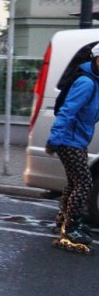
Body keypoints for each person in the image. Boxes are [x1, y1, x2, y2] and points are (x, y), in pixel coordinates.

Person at [46, 44, 99, 254]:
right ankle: (71, 227)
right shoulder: (86, 82)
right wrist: (54, 139)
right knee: (84, 182)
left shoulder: (96, 81)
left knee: (74, 181)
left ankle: (63, 219)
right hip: (67, 140)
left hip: (78, 139)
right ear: (96, 59)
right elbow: (67, 112)